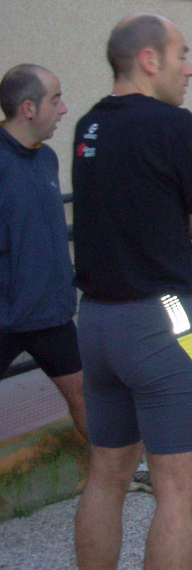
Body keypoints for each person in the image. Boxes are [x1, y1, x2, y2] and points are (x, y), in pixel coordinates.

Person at [71, 13, 192, 569]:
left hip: (93, 322)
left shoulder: (88, 127)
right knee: (180, 486)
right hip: (160, 321)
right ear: (149, 60)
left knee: (106, 475)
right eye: (181, 54)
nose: (189, 69)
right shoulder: (175, 125)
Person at [0, 64, 86, 441]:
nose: (64, 108)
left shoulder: (46, 158)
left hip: (51, 315)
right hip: (4, 317)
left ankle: (119, 476)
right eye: (56, 99)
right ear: (29, 108)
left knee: (87, 396)